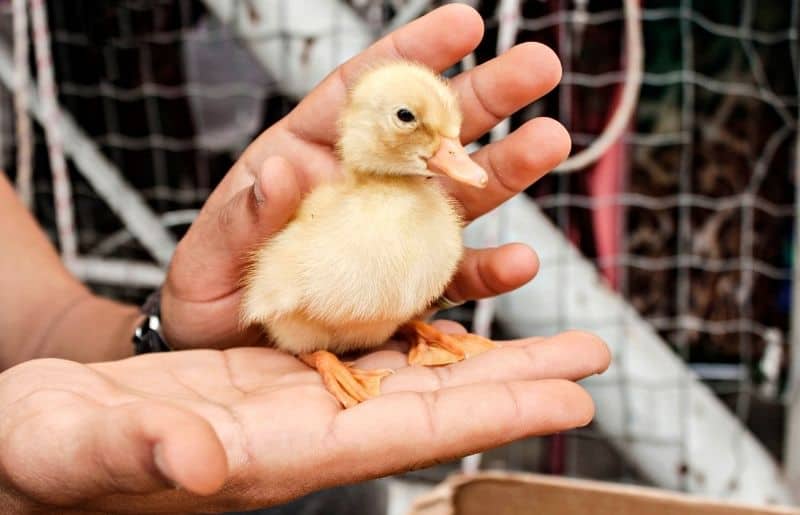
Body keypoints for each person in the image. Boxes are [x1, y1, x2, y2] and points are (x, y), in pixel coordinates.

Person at [0, 5, 610, 513]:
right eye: (411, 123)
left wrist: (159, 338)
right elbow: (284, 291)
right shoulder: (345, 215)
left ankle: (412, 330)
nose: (447, 151)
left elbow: (43, 320)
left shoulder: (415, 206)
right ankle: (327, 354)